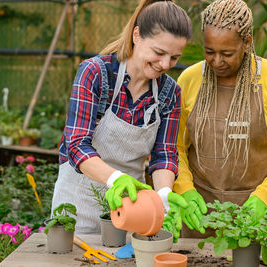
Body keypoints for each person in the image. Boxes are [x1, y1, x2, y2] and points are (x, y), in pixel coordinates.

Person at [51, 0, 192, 241]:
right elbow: (75, 144)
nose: (166, 65)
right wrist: (116, 179)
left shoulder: (170, 92)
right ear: (137, 35)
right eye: (159, 53)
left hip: (132, 208)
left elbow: (164, 154)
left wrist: (164, 194)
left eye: (174, 57)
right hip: (78, 205)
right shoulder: (96, 74)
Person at [171, 0, 267, 238]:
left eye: (227, 53)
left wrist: (263, 196)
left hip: (258, 217)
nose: (217, 61)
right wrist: (185, 190)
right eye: (209, 51)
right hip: (201, 216)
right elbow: (175, 146)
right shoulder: (190, 79)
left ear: (247, 42)